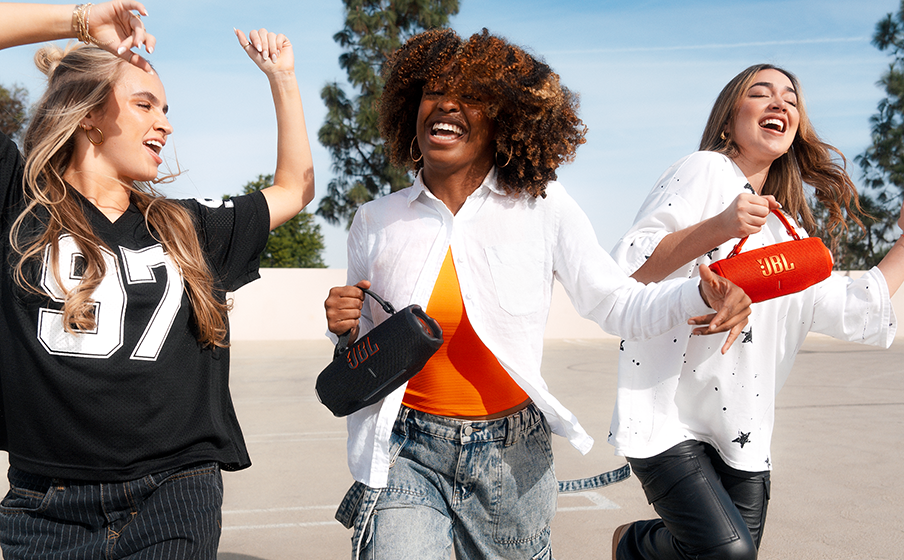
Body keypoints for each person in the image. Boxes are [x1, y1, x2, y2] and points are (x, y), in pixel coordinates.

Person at [323, 28, 753, 560]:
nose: (447, 104)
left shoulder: (543, 206)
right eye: (433, 91)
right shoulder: (375, 220)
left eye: (471, 96)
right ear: (411, 109)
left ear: (502, 120)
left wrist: (699, 297)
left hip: (512, 457)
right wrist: (343, 327)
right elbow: (365, 345)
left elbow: (615, 302)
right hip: (406, 448)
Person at [0, 2, 314, 558]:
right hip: (46, 506)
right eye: (144, 104)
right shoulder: (17, 203)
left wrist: (282, 79)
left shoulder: (187, 224)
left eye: (166, 109)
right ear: (88, 114)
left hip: (174, 493)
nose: (165, 123)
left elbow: (294, 189)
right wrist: (79, 21)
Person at [608, 63, 904, 560]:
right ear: (729, 118)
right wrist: (721, 225)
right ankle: (631, 544)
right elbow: (631, 267)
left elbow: (849, 308)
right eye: (761, 92)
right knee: (729, 553)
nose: (780, 102)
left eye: (791, 98)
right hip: (670, 417)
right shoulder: (705, 170)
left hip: (744, 430)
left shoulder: (788, 230)